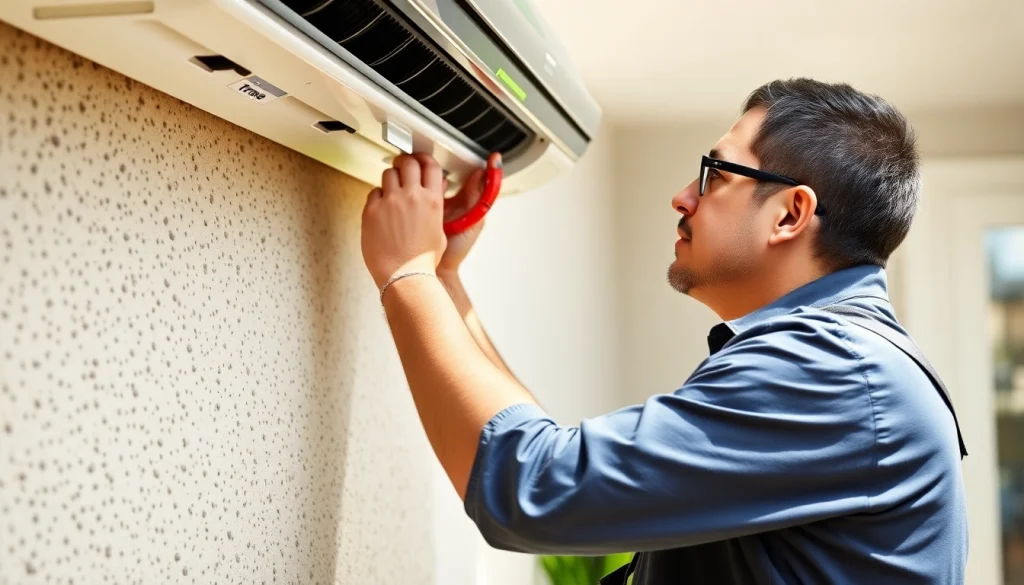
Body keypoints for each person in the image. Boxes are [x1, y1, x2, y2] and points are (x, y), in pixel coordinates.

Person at [359, 78, 969, 584]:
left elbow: (533, 488)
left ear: (790, 214)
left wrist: (406, 276)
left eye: (714, 175)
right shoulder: (850, 365)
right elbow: (561, 469)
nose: (682, 197)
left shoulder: (831, 368)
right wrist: (441, 277)